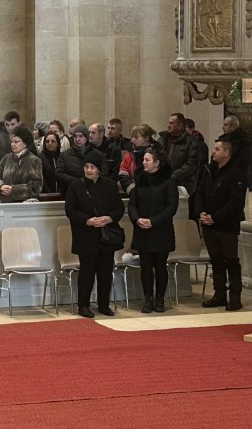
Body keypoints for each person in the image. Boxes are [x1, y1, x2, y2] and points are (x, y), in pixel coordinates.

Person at [64, 150, 124, 318]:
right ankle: (83, 305)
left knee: (105, 273)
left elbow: (119, 208)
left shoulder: (110, 185)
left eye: (92, 167)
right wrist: (87, 220)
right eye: (86, 167)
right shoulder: (76, 186)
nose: (88, 170)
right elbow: (70, 210)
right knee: (87, 273)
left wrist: (109, 218)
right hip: (86, 235)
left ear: (99, 169)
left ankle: (104, 304)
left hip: (106, 235)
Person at [194, 134, 249, 311]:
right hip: (208, 224)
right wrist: (201, 212)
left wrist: (215, 217)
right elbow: (200, 193)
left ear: (227, 153)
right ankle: (219, 294)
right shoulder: (209, 170)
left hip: (226, 225)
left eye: (217, 149)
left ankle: (235, 297)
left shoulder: (236, 173)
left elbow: (235, 201)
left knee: (230, 260)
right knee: (215, 260)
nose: (213, 152)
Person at [128, 146, 178, 313]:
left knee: (160, 266)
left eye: (147, 160)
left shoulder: (168, 182)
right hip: (142, 229)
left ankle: (160, 299)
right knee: (146, 266)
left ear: (157, 163)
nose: (143, 163)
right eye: (143, 160)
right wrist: (137, 219)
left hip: (161, 230)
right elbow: (133, 204)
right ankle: (148, 298)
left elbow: (171, 207)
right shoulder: (140, 181)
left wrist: (153, 221)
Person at [0, 126, 43, 202]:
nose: (12, 144)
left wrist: (14, 190)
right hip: (5, 204)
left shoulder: (34, 160)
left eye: (16, 142)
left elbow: (36, 187)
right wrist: (1, 186)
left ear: (25, 143)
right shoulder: (6, 158)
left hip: (24, 206)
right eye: (11, 142)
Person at [160, 112, 202, 195]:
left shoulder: (191, 141)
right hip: (163, 182)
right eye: (168, 123)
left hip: (182, 184)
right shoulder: (162, 139)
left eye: (172, 123)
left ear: (180, 126)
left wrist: (173, 176)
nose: (168, 125)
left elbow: (191, 164)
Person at [56, 124, 93, 192]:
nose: (77, 139)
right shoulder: (64, 155)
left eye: (80, 136)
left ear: (86, 138)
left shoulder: (95, 154)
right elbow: (59, 174)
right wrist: (77, 182)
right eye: (75, 136)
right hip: (71, 191)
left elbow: (103, 173)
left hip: (91, 191)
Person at [39, 129, 62, 194]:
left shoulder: (63, 157)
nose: (50, 143)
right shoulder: (40, 157)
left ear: (58, 143)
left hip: (61, 194)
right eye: (47, 141)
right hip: (45, 194)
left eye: (53, 141)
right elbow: (41, 178)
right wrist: (49, 192)